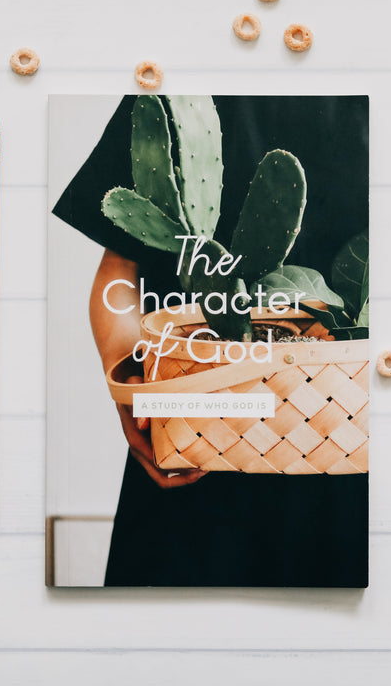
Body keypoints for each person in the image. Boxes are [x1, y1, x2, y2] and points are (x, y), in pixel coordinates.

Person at [53, 95, 369, 587]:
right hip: (189, 451)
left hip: (344, 449)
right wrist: (129, 385)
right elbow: (119, 271)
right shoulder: (170, 90)